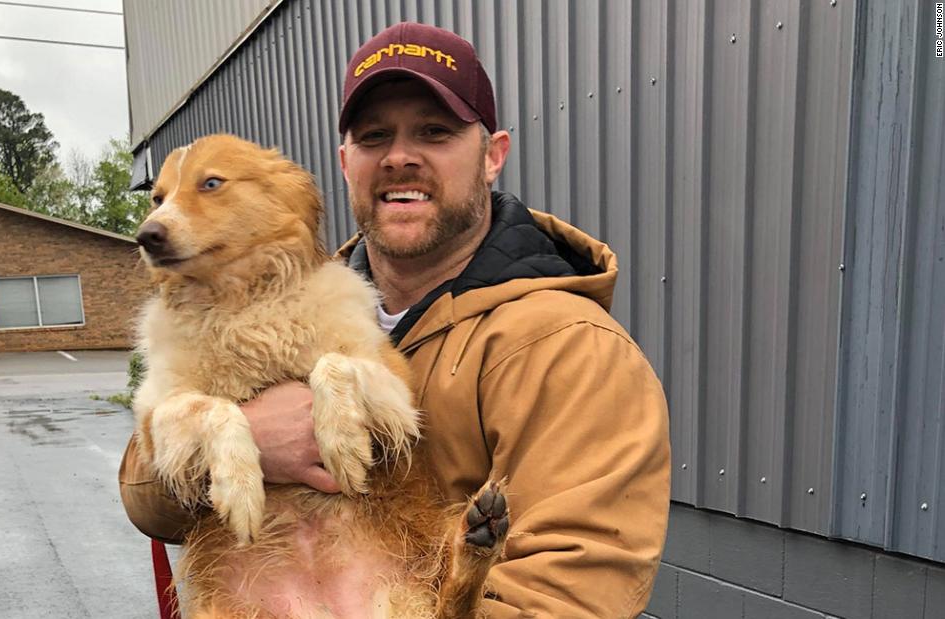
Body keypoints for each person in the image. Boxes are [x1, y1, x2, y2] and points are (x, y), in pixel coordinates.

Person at [119, 21, 670, 618]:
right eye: (374, 136)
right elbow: (148, 504)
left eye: (435, 132)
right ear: (345, 160)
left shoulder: (566, 346)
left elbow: (566, 597)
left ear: (493, 155)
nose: (400, 157)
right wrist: (246, 438)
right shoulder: (281, 295)